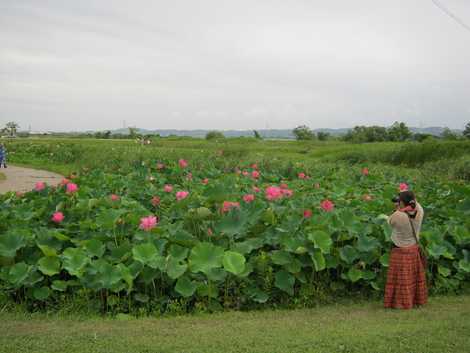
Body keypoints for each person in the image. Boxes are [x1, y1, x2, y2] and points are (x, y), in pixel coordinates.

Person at [384, 190, 427, 309]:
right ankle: (415, 301)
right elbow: (414, 206)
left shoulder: (398, 215)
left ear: (402, 202)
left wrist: (398, 209)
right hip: (413, 248)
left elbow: (389, 222)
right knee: (413, 279)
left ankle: (400, 303)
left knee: (400, 281)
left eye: (399, 201)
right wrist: (405, 204)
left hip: (400, 249)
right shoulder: (420, 210)